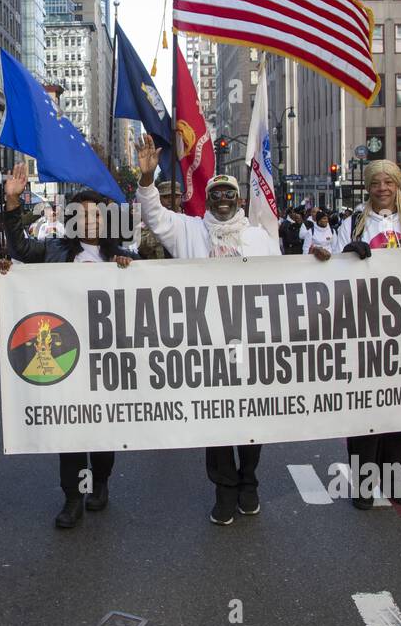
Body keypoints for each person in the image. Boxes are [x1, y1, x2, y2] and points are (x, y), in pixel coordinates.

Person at [137, 134, 327, 525]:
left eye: (230, 194)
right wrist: (146, 177)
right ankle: (224, 490)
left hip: (252, 345)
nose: (223, 199)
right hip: (207, 345)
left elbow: (282, 283)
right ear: (208, 200)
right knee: (216, 421)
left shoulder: (259, 237)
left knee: (251, 419)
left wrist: (320, 262)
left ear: (239, 200)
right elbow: (154, 215)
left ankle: (249, 481)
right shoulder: (188, 231)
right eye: (216, 194)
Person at [0, 163, 138, 529]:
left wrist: (130, 268)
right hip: (67, 357)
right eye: (83, 215)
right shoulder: (54, 250)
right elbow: (20, 247)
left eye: (97, 215)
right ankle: (74, 497)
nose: (91, 221)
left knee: (103, 432)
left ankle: (101, 482)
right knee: (72, 432)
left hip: (108, 359)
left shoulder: (123, 256)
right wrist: (12, 203)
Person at [331, 159, 401, 509]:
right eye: (376, 182)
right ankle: (363, 485)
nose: (382, 188)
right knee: (365, 408)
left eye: (389, 182)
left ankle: (394, 479)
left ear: (398, 185)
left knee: (399, 409)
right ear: (367, 186)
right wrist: (347, 255)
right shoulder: (350, 225)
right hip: (364, 326)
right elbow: (331, 271)